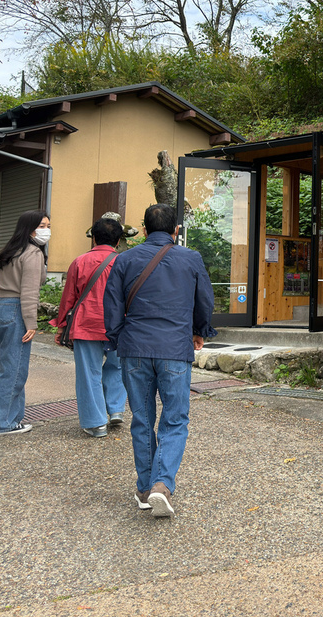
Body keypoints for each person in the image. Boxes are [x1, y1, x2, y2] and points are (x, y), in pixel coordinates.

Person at [103, 203, 216, 518]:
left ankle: (144, 487)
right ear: (176, 231)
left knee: (141, 419)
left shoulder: (124, 259)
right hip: (174, 348)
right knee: (175, 419)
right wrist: (199, 331)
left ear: (143, 230)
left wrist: (116, 337)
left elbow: (111, 305)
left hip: (134, 348)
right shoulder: (190, 258)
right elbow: (204, 300)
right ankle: (162, 485)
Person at [53, 216, 127, 438]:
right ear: (118, 241)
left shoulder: (79, 262)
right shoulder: (125, 262)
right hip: (118, 324)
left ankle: (96, 423)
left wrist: (60, 327)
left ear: (93, 238)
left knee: (89, 373)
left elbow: (69, 298)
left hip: (86, 323)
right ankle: (115, 409)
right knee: (117, 367)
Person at [0, 209, 50, 436]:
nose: (47, 231)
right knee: (14, 371)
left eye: (47, 226)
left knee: (7, 367)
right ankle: (2, 424)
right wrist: (32, 323)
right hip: (16, 309)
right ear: (30, 229)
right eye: (42, 226)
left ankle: (13, 420)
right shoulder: (32, 253)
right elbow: (29, 292)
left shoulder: (12, 250)